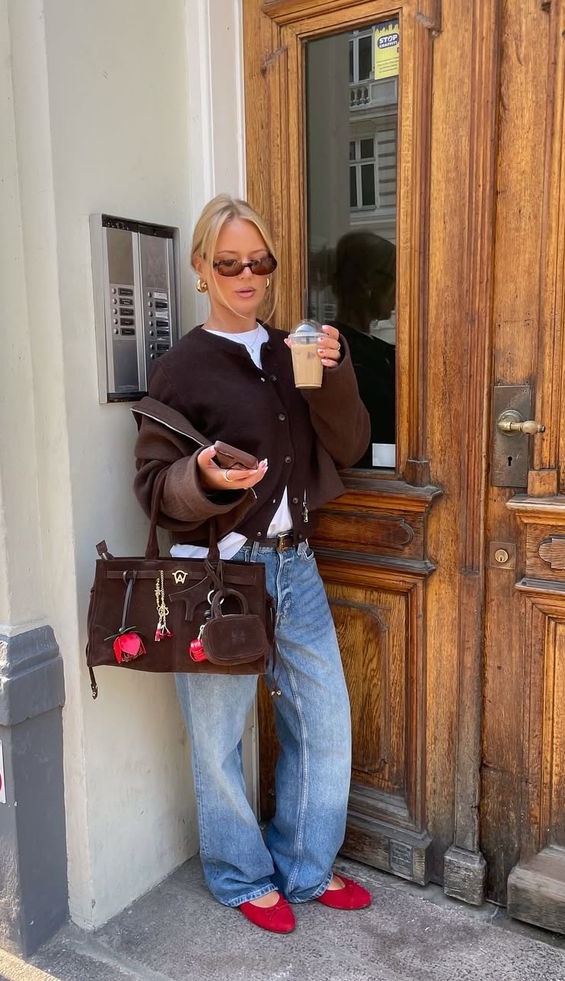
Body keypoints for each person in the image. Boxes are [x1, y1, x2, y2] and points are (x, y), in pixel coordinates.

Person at [132, 195, 371, 934]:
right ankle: (240, 875)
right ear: (201, 268)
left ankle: (304, 866)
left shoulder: (294, 348)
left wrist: (329, 372)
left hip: (295, 567)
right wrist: (203, 476)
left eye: (258, 262)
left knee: (324, 724)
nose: (246, 274)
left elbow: (351, 443)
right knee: (217, 737)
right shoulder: (181, 368)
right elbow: (152, 486)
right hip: (218, 580)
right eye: (228, 262)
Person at [330, 231, 396, 467]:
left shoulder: (381, 350)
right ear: (369, 283)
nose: (397, 292)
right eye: (392, 280)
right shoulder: (336, 351)